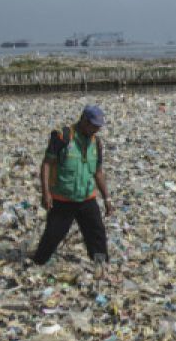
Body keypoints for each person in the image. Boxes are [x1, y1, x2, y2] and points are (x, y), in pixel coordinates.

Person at [31, 104, 114, 275]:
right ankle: (38, 262)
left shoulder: (96, 143)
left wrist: (107, 198)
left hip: (87, 197)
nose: (96, 129)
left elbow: (98, 172)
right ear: (83, 120)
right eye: (93, 125)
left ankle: (100, 263)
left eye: (98, 126)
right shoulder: (63, 137)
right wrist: (45, 193)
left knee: (97, 232)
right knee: (53, 234)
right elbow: (47, 164)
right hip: (63, 199)